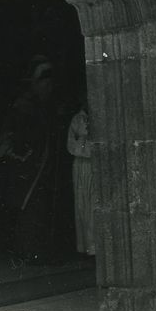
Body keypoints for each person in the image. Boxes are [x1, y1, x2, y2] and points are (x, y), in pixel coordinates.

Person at [0, 55, 58, 260]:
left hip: (41, 166)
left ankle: (39, 249)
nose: (49, 86)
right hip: (26, 165)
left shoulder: (45, 105)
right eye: (44, 80)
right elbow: (16, 137)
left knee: (40, 208)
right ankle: (30, 251)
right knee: (29, 208)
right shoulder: (23, 106)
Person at [67, 106, 95, 256]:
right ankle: (88, 245)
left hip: (95, 163)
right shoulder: (78, 119)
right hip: (83, 165)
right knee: (84, 203)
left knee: (94, 203)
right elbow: (71, 144)